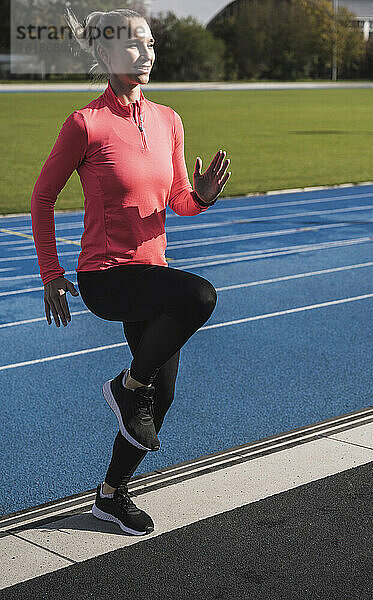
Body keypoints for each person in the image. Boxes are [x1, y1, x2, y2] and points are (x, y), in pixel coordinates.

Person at [30, 7, 231, 537]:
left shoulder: (168, 119)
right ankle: (128, 385)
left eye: (150, 44)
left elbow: (177, 201)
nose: (148, 54)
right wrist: (51, 273)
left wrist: (202, 198)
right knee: (201, 297)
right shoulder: (85, 124)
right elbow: (42, 197)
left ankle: (111, 493)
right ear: (105, 54)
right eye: (135, 45)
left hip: (151, 275)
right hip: (107, 277)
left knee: (160, 398)